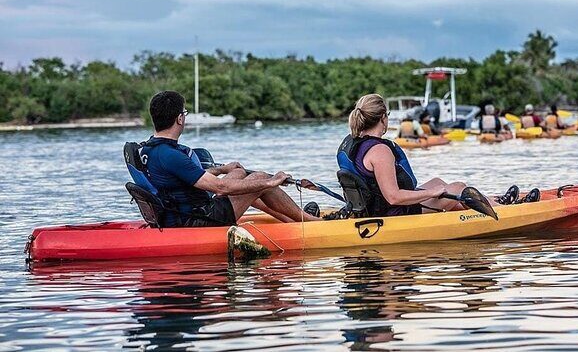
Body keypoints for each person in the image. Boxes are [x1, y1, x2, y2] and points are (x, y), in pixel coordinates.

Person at [331, 94, 539, 218]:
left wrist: (435, 189)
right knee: (456, 187)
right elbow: (393, 197)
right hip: (393, 215)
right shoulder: (380, 151)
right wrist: (432, 193)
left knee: (439, 182)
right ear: (383, 118)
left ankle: (494, 202)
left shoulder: (354, 142)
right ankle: (505, 211)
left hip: (376, 209)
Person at [138, 91, 320, 228]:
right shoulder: (170, 155)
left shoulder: (151, 148)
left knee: (239, 173)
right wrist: (272, 181)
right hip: (198, 219)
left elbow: (182, 176)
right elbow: (221, 187)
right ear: (179, 119)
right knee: (259, 179)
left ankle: (292, 220)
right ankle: (312, 222)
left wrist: (221, 169)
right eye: (184, 113)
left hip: (185, 212)